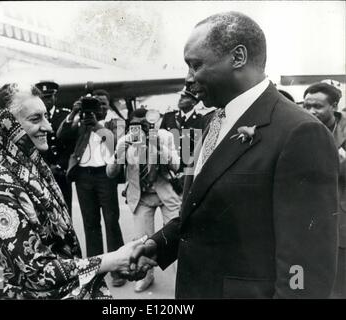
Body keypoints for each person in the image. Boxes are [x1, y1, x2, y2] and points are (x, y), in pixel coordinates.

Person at [127, 11, 339, 299]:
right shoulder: (215, 120)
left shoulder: (300, 133)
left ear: (238, 57)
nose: (187, 79)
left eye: (195, 65)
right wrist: (159, 244)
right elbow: (201, 210)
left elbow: (305, 264)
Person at [0, 83, 155, 299]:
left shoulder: (31, 170)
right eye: (35, 119)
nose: (47, 127)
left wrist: (110, 261)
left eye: (46, 117)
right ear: (6, 127)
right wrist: (113, 260)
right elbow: (37, 272)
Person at [107, 108, 181, 292]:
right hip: (141, 197)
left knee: (177, 238)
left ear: (152, 123)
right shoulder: (125, 141)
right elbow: (110, 173)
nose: (140, 129)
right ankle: (146, 277)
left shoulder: (164, 136)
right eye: (135, 125)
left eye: (144, 124)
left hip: (166, 194)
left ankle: (182, 280)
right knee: (142, 241)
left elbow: (177, 165)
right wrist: (119, 154)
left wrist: (156, 144)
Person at [57, 94, 126, 287]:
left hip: (106, 175)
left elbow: (116, 145)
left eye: (102, 104)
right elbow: (61, 136)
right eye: (93, 105)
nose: (98, 109)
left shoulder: (116, 122)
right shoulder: (81, 123)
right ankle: (96, 270)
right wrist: (73, 113)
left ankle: (117, 270)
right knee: (90, 224)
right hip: (83, 177)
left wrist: (97, 126)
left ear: (107, 106)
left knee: (112, 222)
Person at [303, 81, 346, 298]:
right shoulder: (300, 128)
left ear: (335, 106)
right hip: (310, 220)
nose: (311, 111)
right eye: (307, 106)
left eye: (317, 107)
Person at [35, 81, 73, 216]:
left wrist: (60, 165)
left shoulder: (65, 115)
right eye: (43, 97)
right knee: (46, 214)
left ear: (55, 97)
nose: (47, 100)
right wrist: (46, 167)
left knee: (66, 212)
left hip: (61, 172)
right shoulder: (33, 118)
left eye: (49, 97)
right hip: (43, 172)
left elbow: (70, 146)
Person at [160, 87, 204, 190]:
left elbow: (200, 149)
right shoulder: (168, 117)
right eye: (181, 96)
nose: (180, 99)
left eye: (185, 97)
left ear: (193, 102)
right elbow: (162, 143)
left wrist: (187, 172)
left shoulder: (201, 120)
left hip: (189, 171)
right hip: (170, 171)